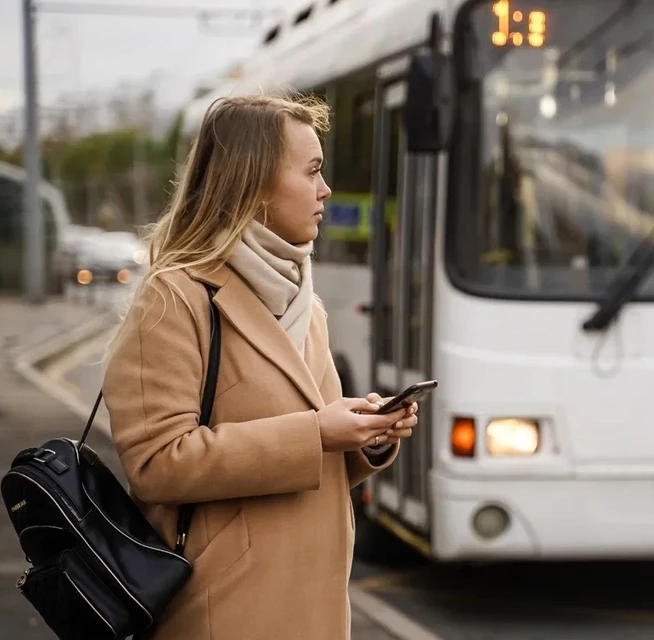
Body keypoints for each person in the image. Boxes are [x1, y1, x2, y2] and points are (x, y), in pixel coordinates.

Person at [101, 94, 418, 640]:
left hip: (314, 605)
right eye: (312, 171)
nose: (327, 190)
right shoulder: (174, 297)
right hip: (224, 607)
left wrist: (366, 438)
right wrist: (317, 432)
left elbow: (315, 452)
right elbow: (156, 463)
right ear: (252, 184)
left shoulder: (306, 304)